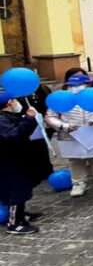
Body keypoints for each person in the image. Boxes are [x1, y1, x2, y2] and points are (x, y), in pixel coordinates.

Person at [44, 75, 93, 197]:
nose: (75, 88)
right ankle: (78, 183)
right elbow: (50, 117)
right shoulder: (61, 98)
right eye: (72, 85)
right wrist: (64, 126)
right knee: (75, 160)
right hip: (71, 135)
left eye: (78, 85)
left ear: (87, 85)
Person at [0, 92, 44, 234]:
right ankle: (15, 223)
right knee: (15, 191)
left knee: (23, 188)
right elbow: (13, 135)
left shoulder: (7, 117)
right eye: (14, 100)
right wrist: (29, 120)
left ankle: (20, 214)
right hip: (9, 162)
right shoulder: (1, 119)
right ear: (9, 103)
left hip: (18, 159)